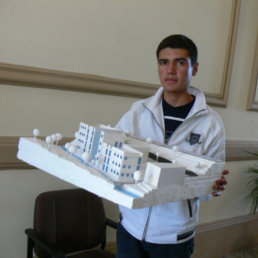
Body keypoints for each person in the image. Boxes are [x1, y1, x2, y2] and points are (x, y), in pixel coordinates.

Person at [115, 34, 228, 258]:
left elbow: (207, 189)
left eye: (180, 62)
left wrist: (212, 185)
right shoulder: (137, 111)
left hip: (173, 237)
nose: (170, 70)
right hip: (130, 227)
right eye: (164, 62)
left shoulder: (211, 124)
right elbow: (115, 153)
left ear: (194, 68)